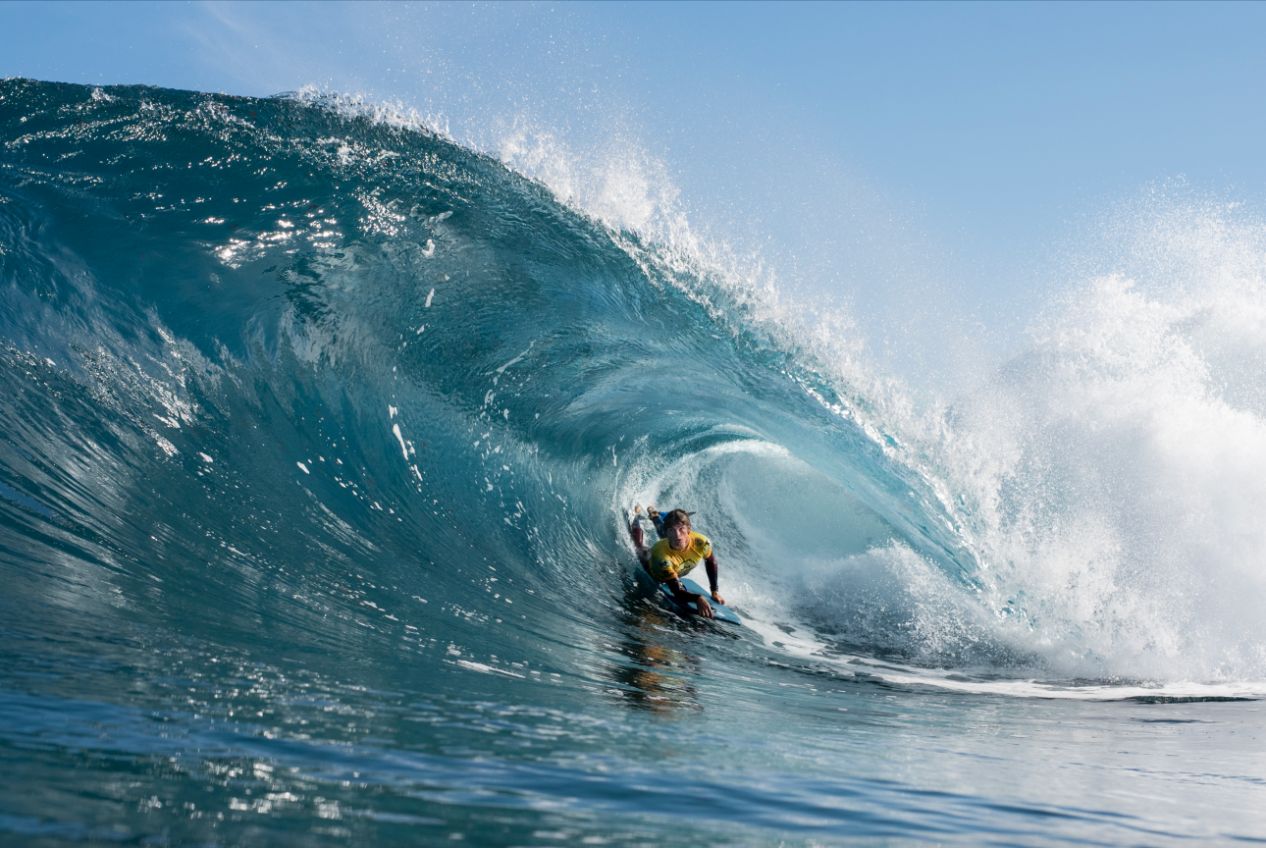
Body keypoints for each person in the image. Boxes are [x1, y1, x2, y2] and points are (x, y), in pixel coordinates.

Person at [628, 506, 725, 619]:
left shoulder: (701, 542)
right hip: (653, 567)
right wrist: (697, 598)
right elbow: (677, 592)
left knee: (672, 538)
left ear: (689, 530)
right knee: (639, 547)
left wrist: (714, 591)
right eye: (671, 531)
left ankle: (654, 515)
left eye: (681, 529)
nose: (677, 535)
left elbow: (711, 561)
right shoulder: (662, 557)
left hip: (673, 557)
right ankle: (635, 517)